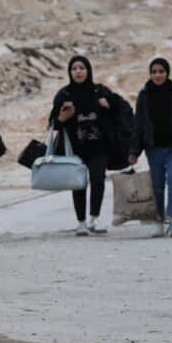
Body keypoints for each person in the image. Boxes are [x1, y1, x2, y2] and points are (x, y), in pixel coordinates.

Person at [50, 56, 118, 236]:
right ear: (70, 72)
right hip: (75, 150)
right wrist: (62, 117)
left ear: (88, 70)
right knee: (78, 184)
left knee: (97, 181)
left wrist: (107, 106)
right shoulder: (64, 95)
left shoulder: (100, 90)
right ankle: (81, 223)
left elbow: (119, 112)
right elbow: (53, 123)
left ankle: (94, 220)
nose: (78, 71)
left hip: (99, 147)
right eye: (74, 68)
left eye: (82, 68)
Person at [129, 57, 172, 237]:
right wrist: (134, 151)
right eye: (154, 72)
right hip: (153, 149)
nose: (157, 75)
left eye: (161, 71)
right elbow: (139, 124)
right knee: (157, 185)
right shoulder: (144, 95)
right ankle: (159, 222)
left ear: (167, 73)